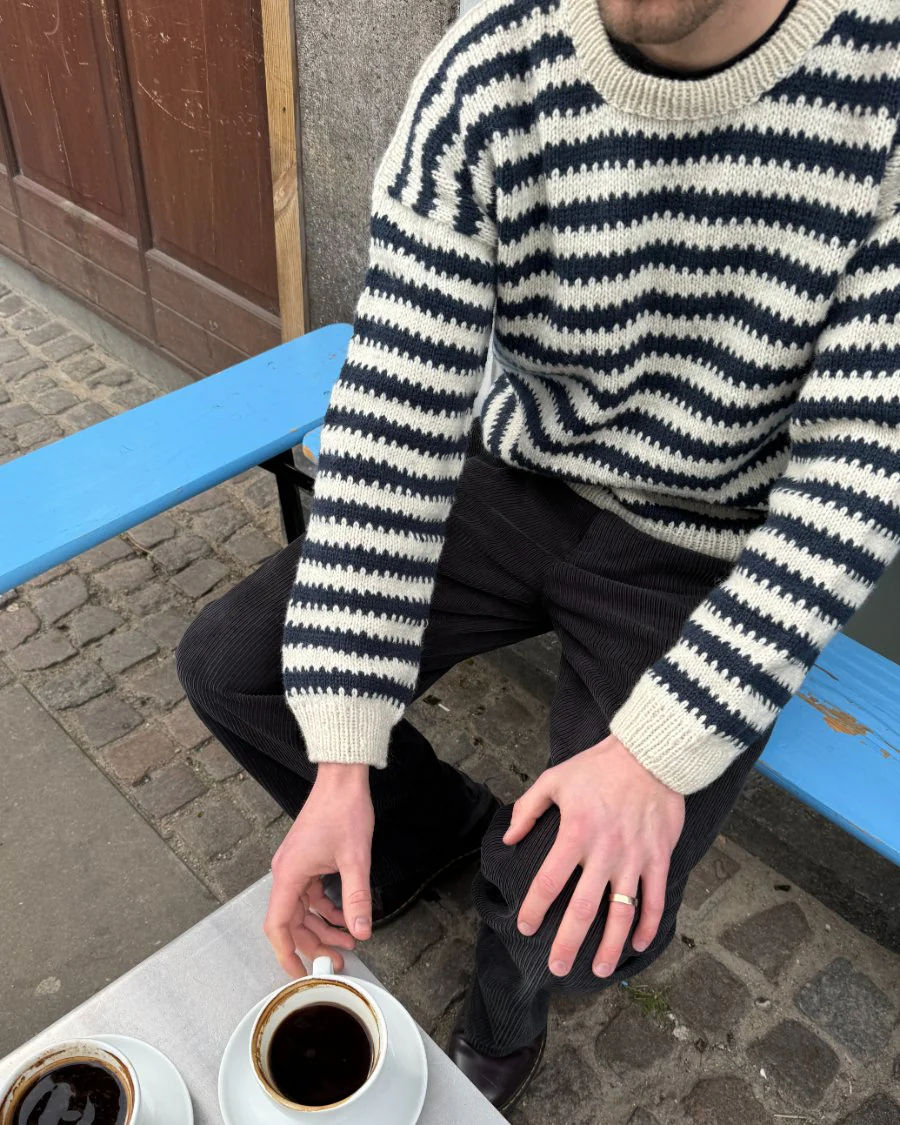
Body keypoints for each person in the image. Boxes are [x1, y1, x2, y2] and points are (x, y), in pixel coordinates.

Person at [177, 0, 900, 1111]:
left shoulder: (880, 94)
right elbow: (394, 414)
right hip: (521, 472)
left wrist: (653, 754)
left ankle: (504, 1021)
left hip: (705, 541)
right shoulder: (490, 66)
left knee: (582, 912)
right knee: (235, 667)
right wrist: (343, 760)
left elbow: (857, 477)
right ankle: (429, 833)